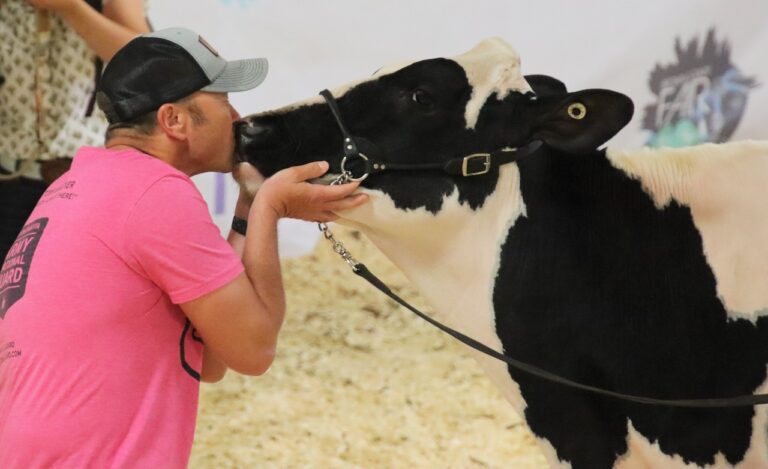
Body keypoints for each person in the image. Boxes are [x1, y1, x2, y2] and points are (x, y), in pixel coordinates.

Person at [0, 27, 368, 468]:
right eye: (222, 101)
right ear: (173, 120)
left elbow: (212, 355)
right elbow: (253, 350)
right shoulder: (155, 193)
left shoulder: (86, 183)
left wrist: (251, 201)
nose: (237, 116)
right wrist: (271, 206)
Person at [0, 0, 150, 261]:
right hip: (9, 174)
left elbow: (146, 63)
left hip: (85, 178)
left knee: (81, 288)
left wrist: (71, 7)